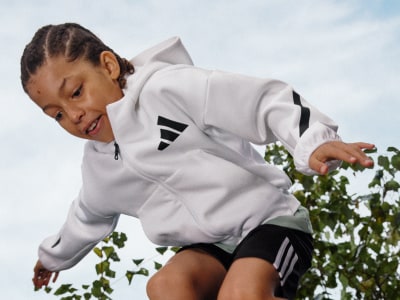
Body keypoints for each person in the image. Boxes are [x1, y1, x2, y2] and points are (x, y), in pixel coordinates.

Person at [20, 23, 374, 300]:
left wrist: (313, 140)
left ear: (108, 65)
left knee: (241, 294)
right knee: (165, 287)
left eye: (76, 93)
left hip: (270, 222)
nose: (75, 115)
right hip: (212, 244)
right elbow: (86, 215)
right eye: (57, 115)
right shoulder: (99, 168)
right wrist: (52, 258)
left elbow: (259, 101)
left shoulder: (168, 90)